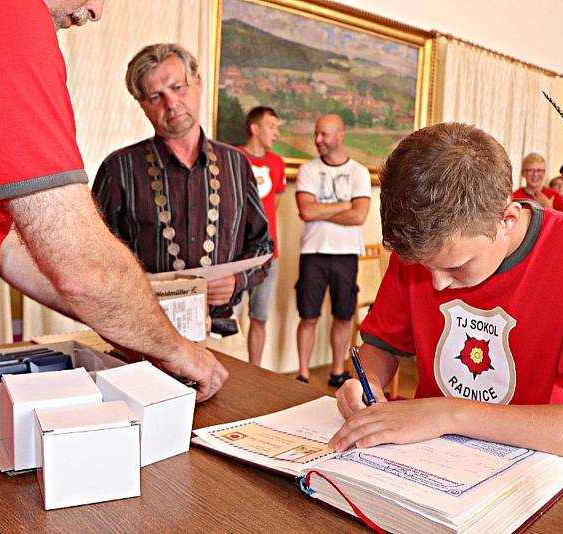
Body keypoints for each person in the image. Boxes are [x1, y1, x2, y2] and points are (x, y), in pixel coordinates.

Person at [0, 2, 228, 528]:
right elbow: (82, 265)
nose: (95, 11)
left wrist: (137, 334)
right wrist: (177, 350)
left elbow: (9, 246)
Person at [329, 123, 563, 470]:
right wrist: (365, 381)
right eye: (425, 267)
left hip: (539, 477)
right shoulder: (427, 247)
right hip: (428, 463)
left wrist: (450, 414)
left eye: (457, 266)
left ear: (507, 219)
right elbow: (381, 347)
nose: (439, 284)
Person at [92, 43, 273, 323]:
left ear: (198, 83)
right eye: (155, 96)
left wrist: (237, 279)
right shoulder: (118, 169)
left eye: (178, 88)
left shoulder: (237, 165)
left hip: (221, 332)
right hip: (144, 334)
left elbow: (262, 244)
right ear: (141, 104)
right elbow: (96, 257)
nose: (171, 103)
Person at [295, 114, 371, 386]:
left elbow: (359, 216)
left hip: (346, 253)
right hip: (312, 253)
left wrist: (321, 210)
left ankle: (337, 371)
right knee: (308, 316)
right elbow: (306, 210)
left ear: (340, 135)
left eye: (324, 134)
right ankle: (302, 373)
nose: (318, 140)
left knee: (343, 315)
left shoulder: (358, 172)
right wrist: (345, 204)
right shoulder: (308, 170)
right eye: (316, 133)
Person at [238, 107, 286, 366]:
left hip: (269, 254)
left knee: (259, 317)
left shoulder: (278, 164)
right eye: (271, 127)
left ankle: (254, 371)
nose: (276, 133)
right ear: (254, 128)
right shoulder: (234, 157)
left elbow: (273, 204)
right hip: (237, 255)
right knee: (230, 318)